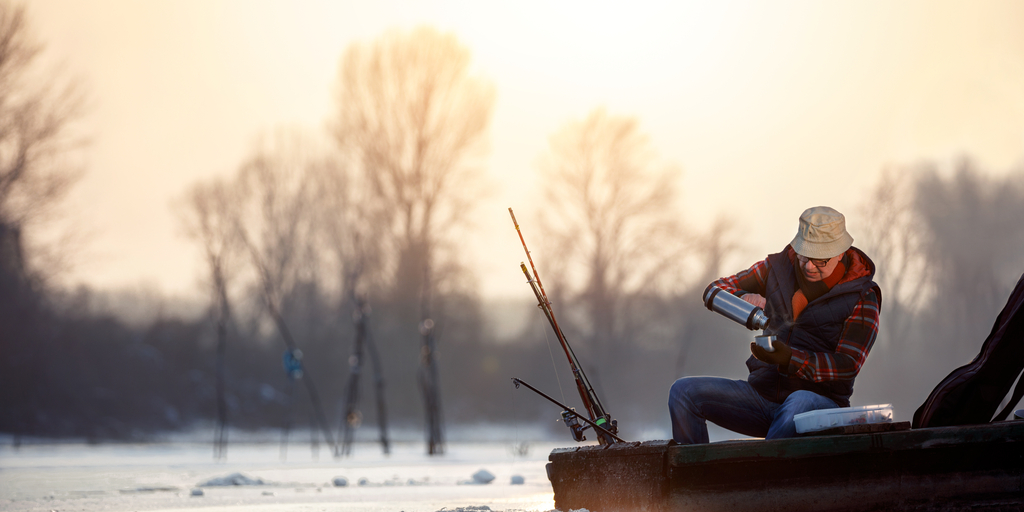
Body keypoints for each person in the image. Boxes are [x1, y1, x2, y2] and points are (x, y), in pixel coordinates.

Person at [669, 206, 881, 444]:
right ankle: (693, 478)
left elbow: (847, 365)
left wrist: (790, 358)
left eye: (820, 260)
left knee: (800, 401)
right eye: (804, 256)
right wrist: (741, 299)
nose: (809, 266)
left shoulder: (863, 296)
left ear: (840, 253)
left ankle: (760, 477)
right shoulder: (776, 269)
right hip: (762, 398)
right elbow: (713, 291)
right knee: (683, 392)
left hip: (819, 408)